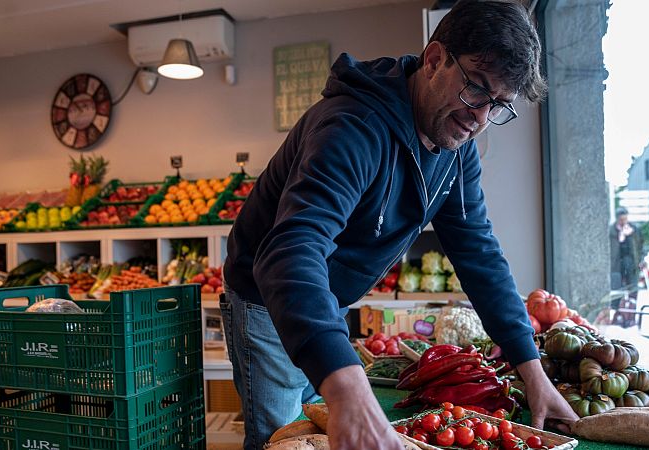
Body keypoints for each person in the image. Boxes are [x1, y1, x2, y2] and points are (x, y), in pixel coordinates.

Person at [221, 1, 579, 448]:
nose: (480, 118)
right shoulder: (352, 128)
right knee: (280, 439)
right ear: (434, 59)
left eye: (499, 106)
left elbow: (479, 253)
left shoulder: (456, 149)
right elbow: (290, 253)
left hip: (324, 300)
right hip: (266, 299)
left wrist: (533, 372)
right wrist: (348, 389)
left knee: (318, 433)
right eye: (476, 89)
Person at [609, 207, 643, 327]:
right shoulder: (612, 230)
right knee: (617, 291)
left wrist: (641, 260)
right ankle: (618, 316)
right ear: (617, 219)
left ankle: (631, 317)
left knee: (633, 291)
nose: (623, 222)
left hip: (631, 264)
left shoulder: (634, 229)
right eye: (621, 219)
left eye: (625, 219)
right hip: (616, 264)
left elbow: (640, 246)